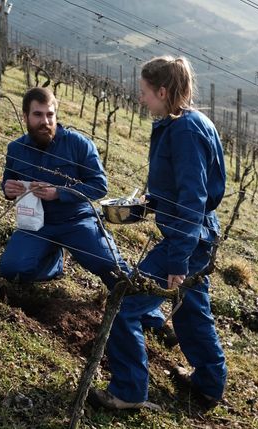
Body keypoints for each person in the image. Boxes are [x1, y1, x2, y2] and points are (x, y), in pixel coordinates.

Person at [90, 56, 228, 411]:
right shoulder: (191, 122)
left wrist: (179, 258)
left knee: (124, 305)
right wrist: (152, 203)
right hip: (199, 236)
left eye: (145, 93)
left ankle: (129, 391)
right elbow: (185, 189)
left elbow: (194, 197)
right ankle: (210, 385)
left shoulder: (184, 131)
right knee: (190, 310)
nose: (141, 99)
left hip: (189, 238)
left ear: (163, 91)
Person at [0, 87, 130, 290]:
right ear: (25, 116)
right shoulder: (16, 149)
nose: (45, 121)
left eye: (50, 115)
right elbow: (9, 180)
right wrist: (8, 189)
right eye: (38, 115)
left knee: (110, 266)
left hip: (77, 221)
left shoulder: (78, 144)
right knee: (12, 269)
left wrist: (59, 192)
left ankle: (147, 313)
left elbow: (99, 186)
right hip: (36, 224)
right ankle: (53, 261)